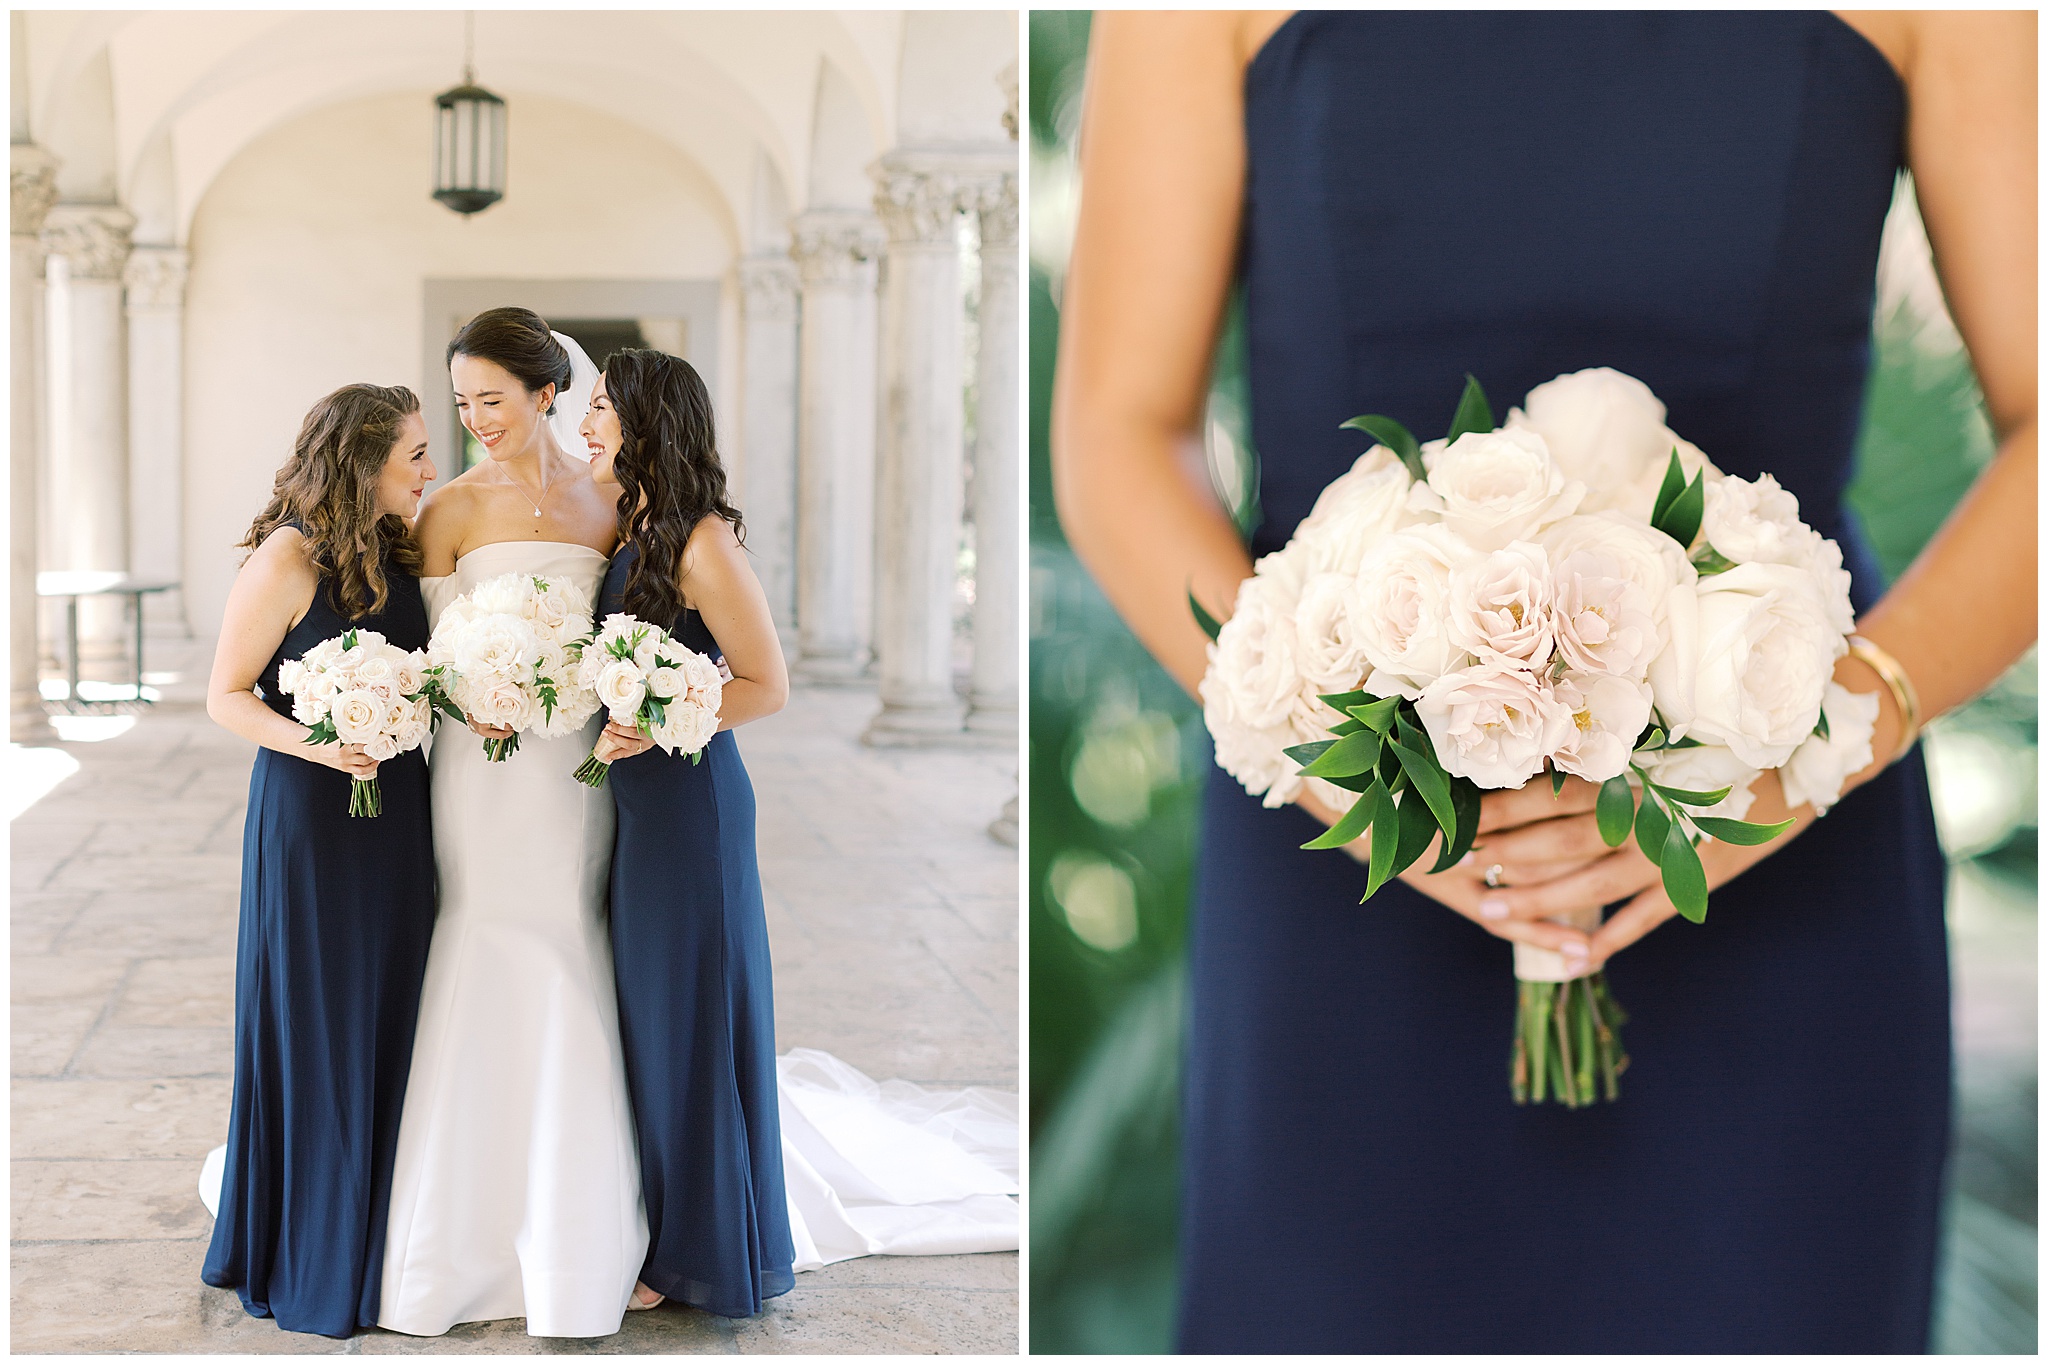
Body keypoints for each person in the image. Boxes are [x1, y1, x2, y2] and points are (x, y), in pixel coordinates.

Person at [1052, 11, 2034, 1353]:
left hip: (1786, 856)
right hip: (1349, 876)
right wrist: (1336, 754)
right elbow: (1121, 423)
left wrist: (1807, 750)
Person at [373, 308, 645, 1338]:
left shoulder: (616, 499)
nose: (476, 419)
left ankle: (579, 1233)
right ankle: (457, 1229)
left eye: (491, 399)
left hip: (576, 768)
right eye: (460, 403)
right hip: (479, 773)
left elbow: (637, 621)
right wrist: (462, 691)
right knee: (477, 932)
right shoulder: (443, 508)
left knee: (570, 938)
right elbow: (432, 648)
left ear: (547, 393)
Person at [199, 384, 439, 1337]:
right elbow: (225, 695)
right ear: (362, 461)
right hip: (313, 812)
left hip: (399, 813)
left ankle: (387, 1225)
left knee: (391, 1004)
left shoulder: (403, 550)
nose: (429, 470)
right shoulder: (287, 556)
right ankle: (311, 1242)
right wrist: (324, 740)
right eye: (414, 455)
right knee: (319, 1010)